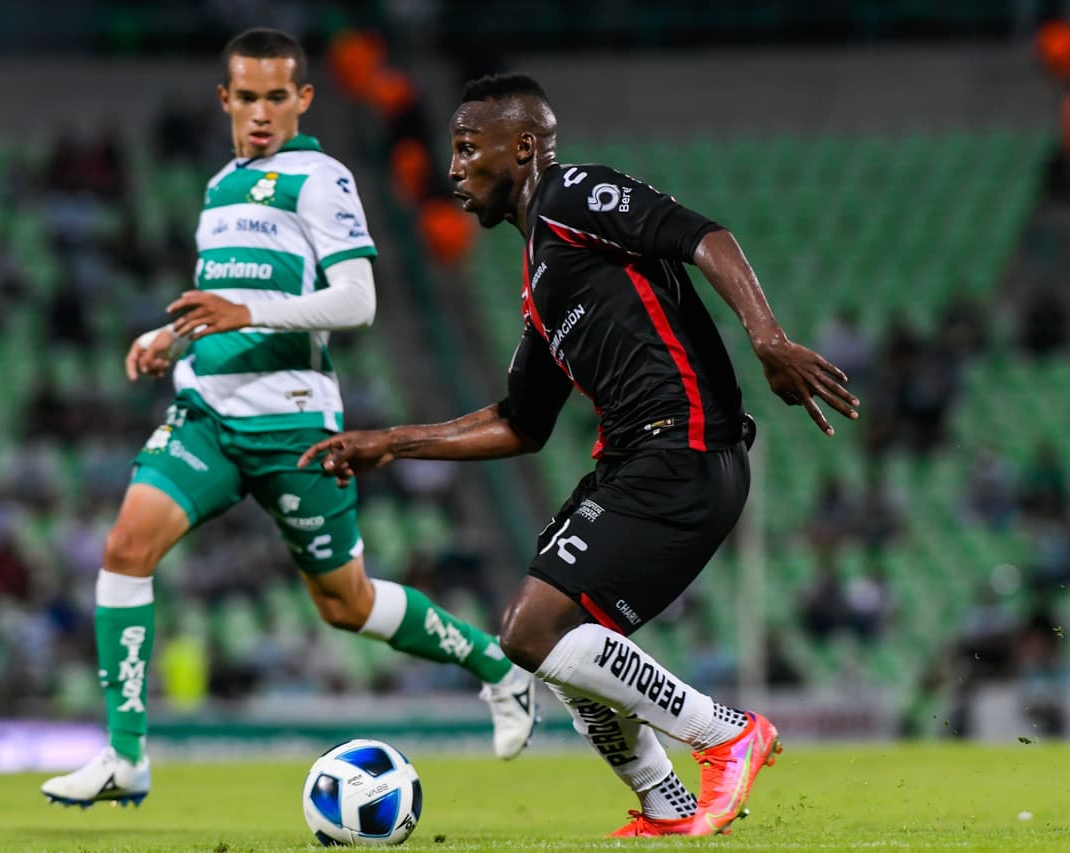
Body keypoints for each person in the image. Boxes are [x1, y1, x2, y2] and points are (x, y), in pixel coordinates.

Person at [300, 73, 860, 838]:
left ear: (523, 147)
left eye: (468, 149)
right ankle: (667, 804)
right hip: (640, 460)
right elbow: (520, 422)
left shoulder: (573, 196)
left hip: (683, 446)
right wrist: (393, 442)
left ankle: (726, 732)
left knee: (530, 631)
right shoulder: (541, 277)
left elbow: (704, 236)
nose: (454, 169)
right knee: (548, 636)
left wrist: (766, 336)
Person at [40, 32, 538, 809]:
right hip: (208, 413)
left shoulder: (320, 178)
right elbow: (219, 299)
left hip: (294, 425)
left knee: (348, 604)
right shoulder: (218, 187)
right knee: (125, 546)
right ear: (226, 101)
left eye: (279, 96)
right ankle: (126, 755)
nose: (263, 111)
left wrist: (245, 310)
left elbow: (357, 301)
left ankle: (496, 667)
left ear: (302, 99)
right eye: (249, 97)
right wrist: (167, 337)